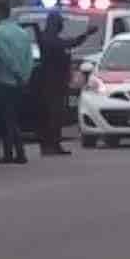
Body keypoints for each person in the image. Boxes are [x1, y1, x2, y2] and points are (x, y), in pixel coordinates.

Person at [36, 11, 98, 156]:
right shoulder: (49, 39)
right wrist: (86, 34)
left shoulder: (50, 38)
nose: (61, 26)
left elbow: (69, 44)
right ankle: (50, 145)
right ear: (55, 24)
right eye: (60, 23)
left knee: (55, 114)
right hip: (51, 82)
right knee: (53, 114)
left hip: (56, 81)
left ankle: (52, 144)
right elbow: (70, 43)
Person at [0, 2, 34, 163]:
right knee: (13, 116)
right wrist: (25, 76)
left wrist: (17, 73)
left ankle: (14, 153)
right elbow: (30, 58)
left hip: (4, 80)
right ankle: (14, 152)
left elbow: (4, 56)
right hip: (20, 83)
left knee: (6, 118)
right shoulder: (23, 33)